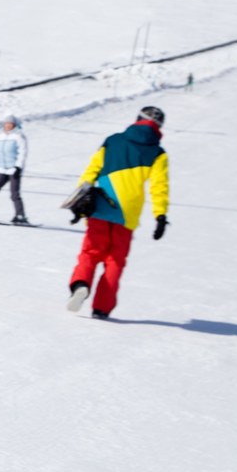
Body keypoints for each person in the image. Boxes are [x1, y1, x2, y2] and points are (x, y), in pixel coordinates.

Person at [66, 105, 170, 319]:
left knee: (90, 252)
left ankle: (80, 284)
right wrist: (160, 215)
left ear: (136, 119)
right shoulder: (158, 153)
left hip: (102, 204)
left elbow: (91, 171)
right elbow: (159, 187)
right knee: (115, 260)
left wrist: (79, 197)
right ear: (159, 127)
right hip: (127, 213)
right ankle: (102, 307)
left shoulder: (112, 140)